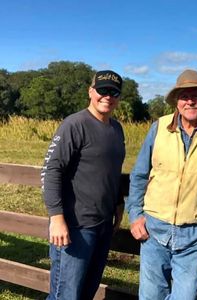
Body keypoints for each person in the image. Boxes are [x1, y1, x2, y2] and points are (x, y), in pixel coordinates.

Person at [126, 69, 197, 300]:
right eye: (184, 96)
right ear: (176, 102)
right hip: (154, 228)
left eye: (196, 95)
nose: (190, 101)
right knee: (151, 296)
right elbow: (139, 174)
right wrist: (134, 214)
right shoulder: (159, 127)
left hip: (196, 232)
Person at [41, 70, 126, 300]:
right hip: (75, 226)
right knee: (66, 294)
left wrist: (118, 204)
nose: (107, 96)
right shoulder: (74, 124)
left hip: (102, 224)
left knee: (87, 291)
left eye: (114, 92)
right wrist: (57, 218)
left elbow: (112, 171)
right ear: (91, 91)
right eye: (102, 90)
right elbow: (51, 171)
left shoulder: (117, 129)